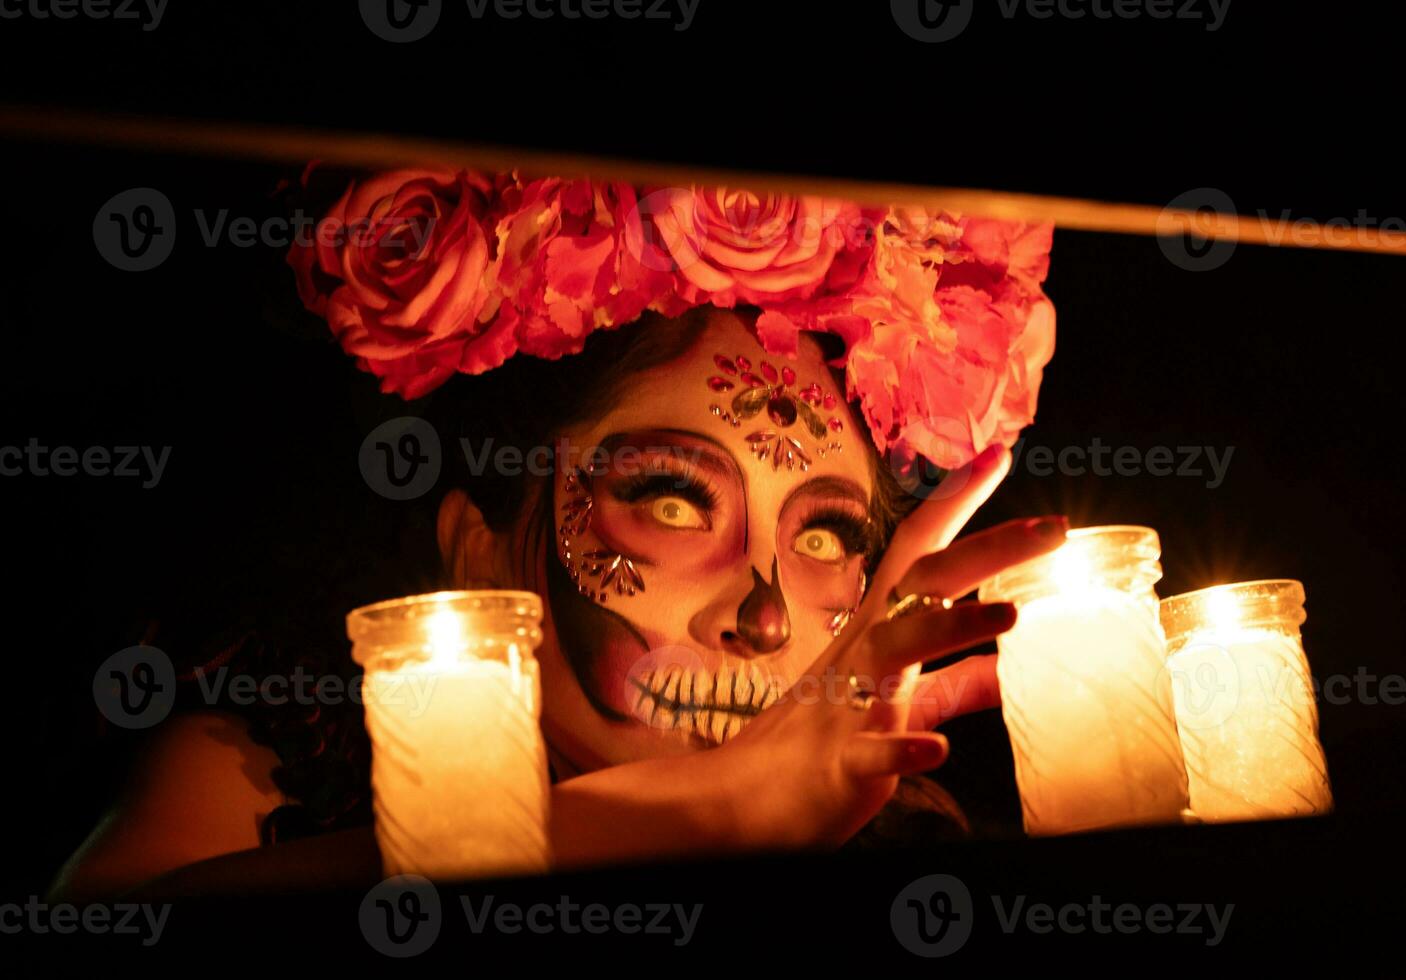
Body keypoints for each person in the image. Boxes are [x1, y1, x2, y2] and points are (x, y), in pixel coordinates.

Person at [49, 172, 1064, 900]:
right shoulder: (273, 762)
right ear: (477, 548)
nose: (764, 613)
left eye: (827, 536)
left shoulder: (900, 834)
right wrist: (685, 815)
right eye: (673, 502)